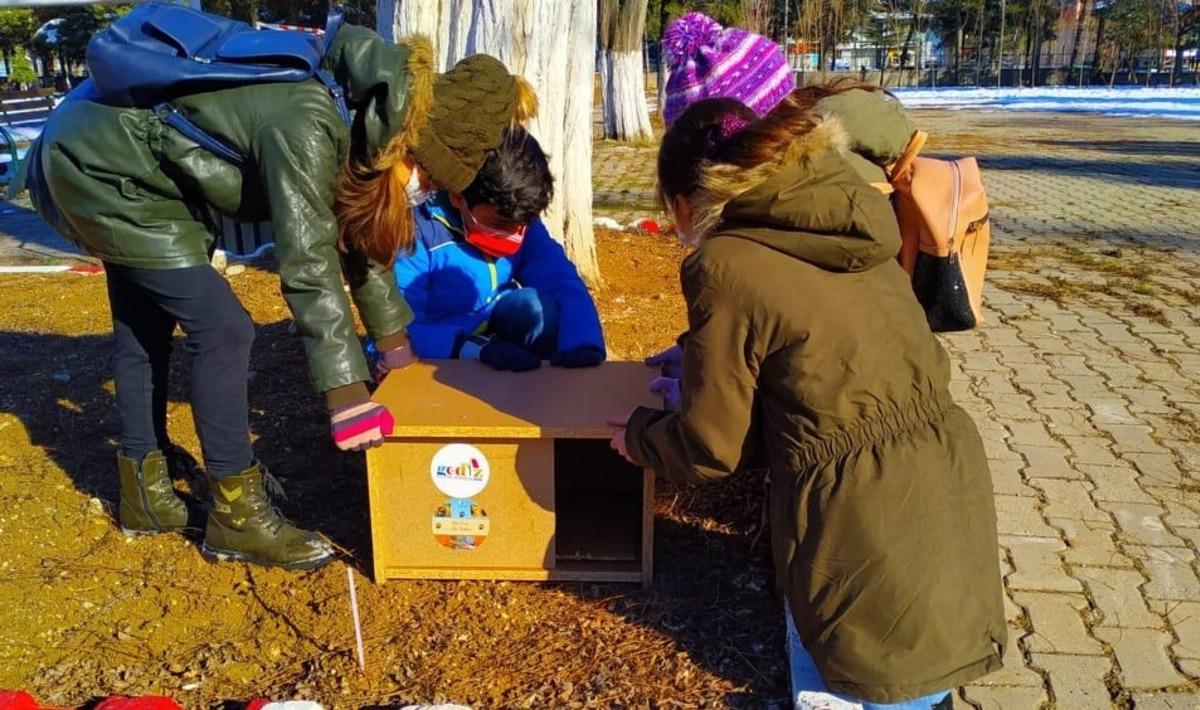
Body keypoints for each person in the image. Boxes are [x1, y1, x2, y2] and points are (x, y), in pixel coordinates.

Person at [16, 22, 537, 570]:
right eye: (428, 178)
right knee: (224, 329)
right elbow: (307, 260)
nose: (423, 192)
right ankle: (237, 515)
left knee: (145, 323)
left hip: (115, 156)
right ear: (412, 141)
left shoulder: (362, 115)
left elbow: (359, 240)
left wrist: (395, 345)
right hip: (103, 168)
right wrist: (346, 395)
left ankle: (146, 495)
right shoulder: (310, 122)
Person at [610, 13, 1005, 709]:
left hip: (850, 522)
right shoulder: (850, 211)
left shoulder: (725, 261)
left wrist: (638, 436)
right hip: (944, 488)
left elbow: (709, 448)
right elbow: (811, 347)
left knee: (857, 685)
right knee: (920, 686)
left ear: (688, 195)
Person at [390, 127, 605, 371]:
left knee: (536, 309)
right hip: (441, 347)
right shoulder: (416, 230)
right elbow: (399, 329)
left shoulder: (516, 214)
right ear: (457, 196)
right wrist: (471, 347)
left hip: (497, 325)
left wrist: (582, 342)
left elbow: (560, 279)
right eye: (499, 225)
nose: (513, 236)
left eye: (522, 225)